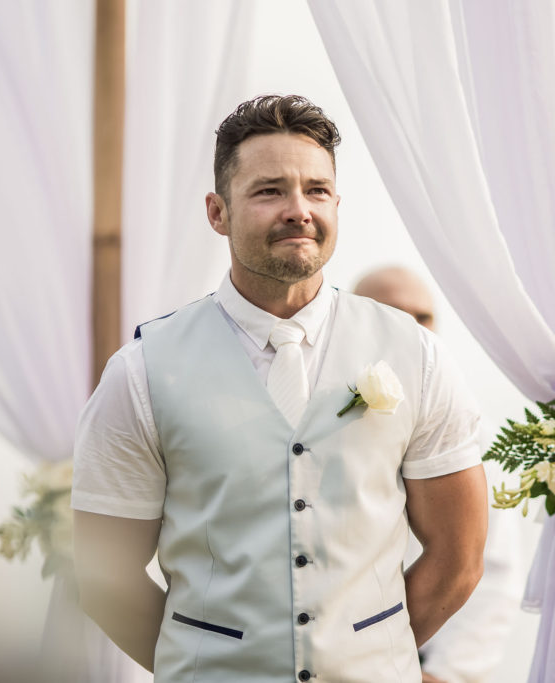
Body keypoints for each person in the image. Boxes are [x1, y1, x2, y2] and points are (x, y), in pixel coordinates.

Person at [71, 95, 488, 683]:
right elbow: (104, 576)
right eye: (270, 191)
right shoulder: (142, 370)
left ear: (337, 204)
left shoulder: (415, 354)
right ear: (217, 212)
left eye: (317, 190)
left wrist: (374, 658)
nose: (299, 210)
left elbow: (458, 558)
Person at [354, 266, 529, 683]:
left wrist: (445, 675)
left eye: (423, 317)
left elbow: (494, 572)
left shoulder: (475, 438)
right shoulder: (313, 425)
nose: (411, 330)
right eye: (392, 314)